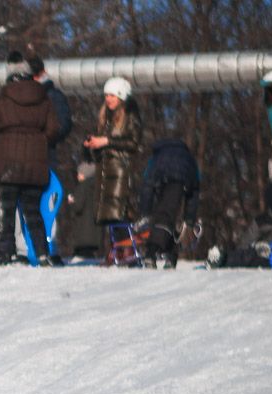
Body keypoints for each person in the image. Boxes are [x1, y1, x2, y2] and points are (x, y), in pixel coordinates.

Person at [0, 50, 62, 266]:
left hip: (6, 165)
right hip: (35, 166)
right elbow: (53, 131)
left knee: (7, 211)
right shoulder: (44, 100)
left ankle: (5, 253)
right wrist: (36, 143)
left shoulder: (2, 100)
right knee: (33, 211)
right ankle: (42, 253)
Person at [83, 76, 142, 261]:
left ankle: (126, 249)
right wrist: (91, 146)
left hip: (121, 170)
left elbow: (133, 142)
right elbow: (102, 142)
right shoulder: (105, 116)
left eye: (112, 96)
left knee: (120, 211)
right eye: (106, 95)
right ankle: (116, 248)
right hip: (105, 169)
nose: (108, 99)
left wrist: (106, 141)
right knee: (109, 213)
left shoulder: (130, 115)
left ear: (121, 96)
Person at [137, 139, 200, 268]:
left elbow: (147, 185)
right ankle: (171, 254)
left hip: (162, 179)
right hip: (181, 181)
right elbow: (194, 191)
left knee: (164, 215)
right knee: (167, 215)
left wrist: (145, 212)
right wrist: (189, 219)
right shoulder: (189, 159)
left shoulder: (156, 156)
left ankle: (151, 252)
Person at [27, 55, 73, 172]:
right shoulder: (22, 95)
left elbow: (63, 125)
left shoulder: (53, 96)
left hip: (44, 155)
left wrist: (44, 137)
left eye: (35, 75)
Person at [66, 160, 100, 258]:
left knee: (83, 253)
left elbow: (78, 206)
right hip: (95, 231)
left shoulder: (82, 186)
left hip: (83, 230)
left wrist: (71, 201)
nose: (78, 176)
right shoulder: (97, 186)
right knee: (90, 253)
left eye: (80, 173)